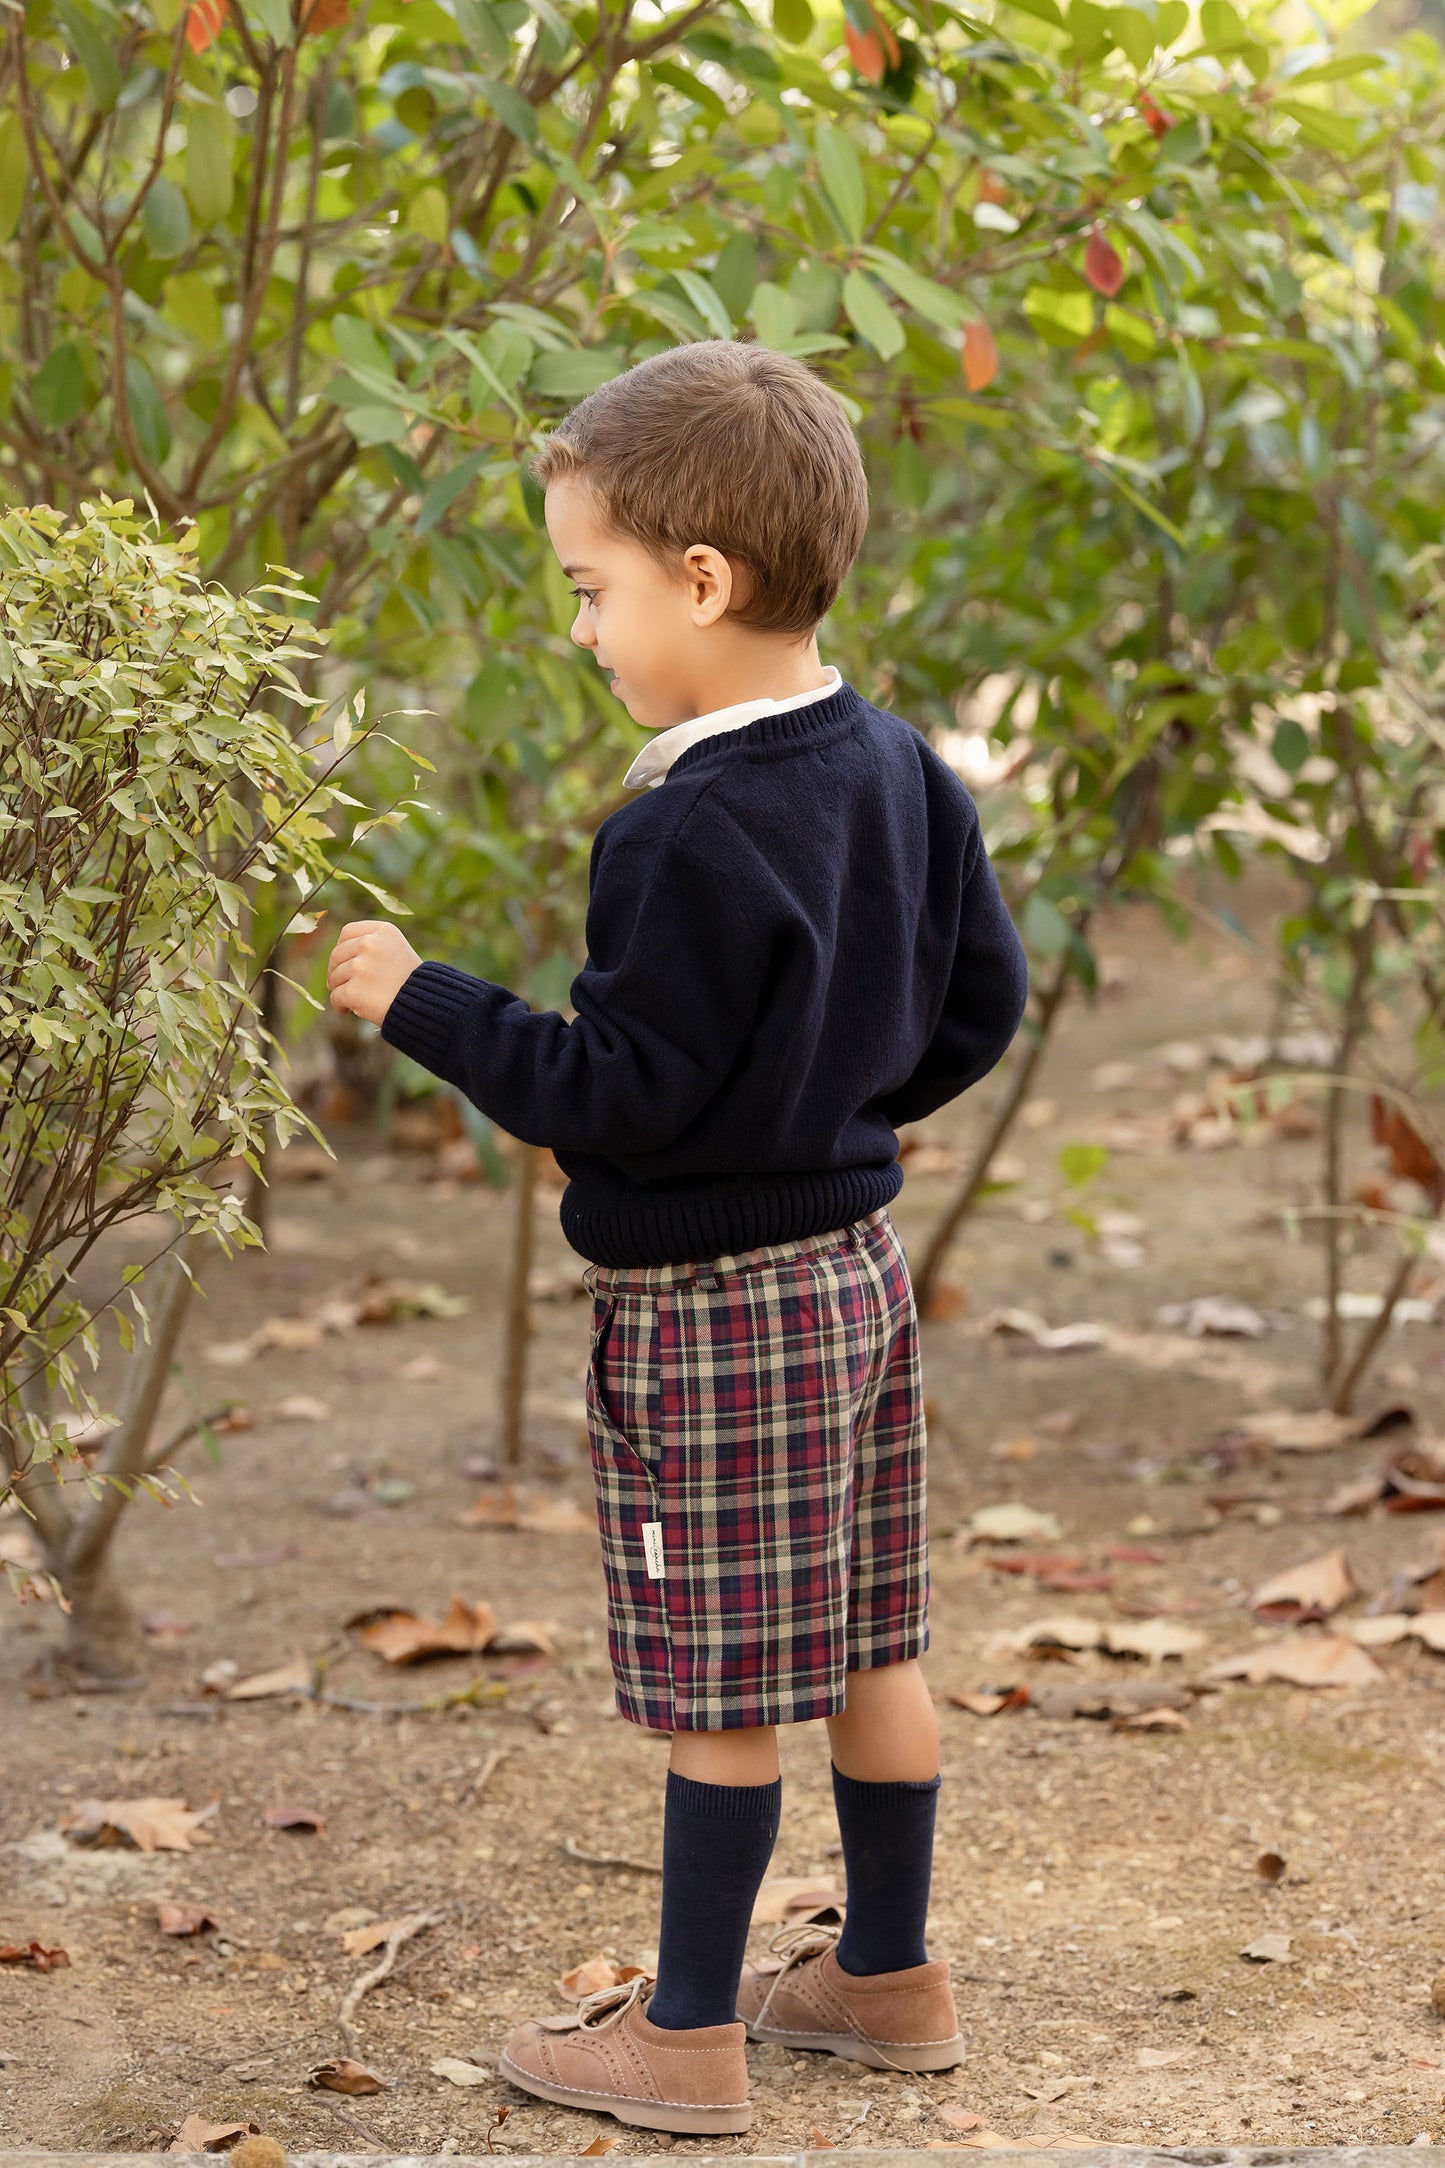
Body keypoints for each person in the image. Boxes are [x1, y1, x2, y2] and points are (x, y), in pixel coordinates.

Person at [326, 338, 1028, 2137]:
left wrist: (422, 1000)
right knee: (872, 1638)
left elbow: (613, 1090)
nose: (581, 630)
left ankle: (689, 2034)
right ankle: (885, 1972)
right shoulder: (896, 766)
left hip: (712, 1308)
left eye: (590, 588)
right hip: (853, 1277)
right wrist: (833, 1120)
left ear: (699, 582)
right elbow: (978, 1001)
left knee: (722, 1667)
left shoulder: (686, 823)